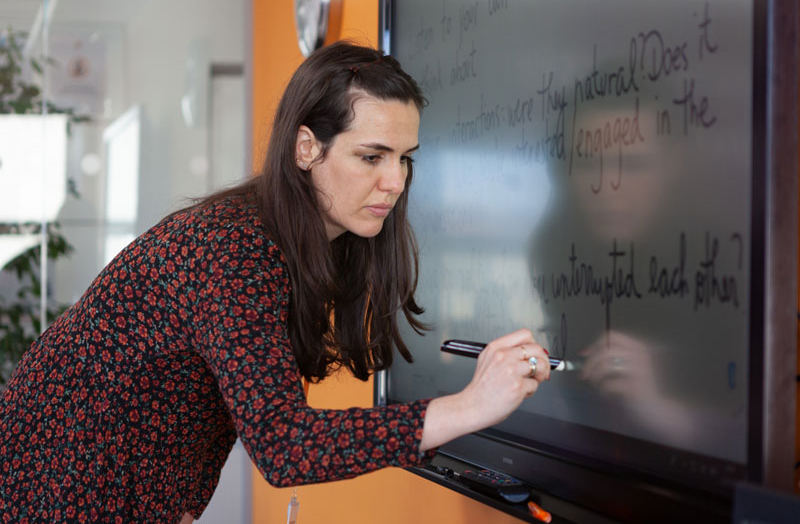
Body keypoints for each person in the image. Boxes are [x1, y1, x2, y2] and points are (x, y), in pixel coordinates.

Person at [0, 41, 551, 523]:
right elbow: (285, 447)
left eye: (405, 158)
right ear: (307, 148)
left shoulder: (299, 244)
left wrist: (178, 496)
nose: (394, 182)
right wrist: (471, 405)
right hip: (48, 496)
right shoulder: (232, 247)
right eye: (371, 156)